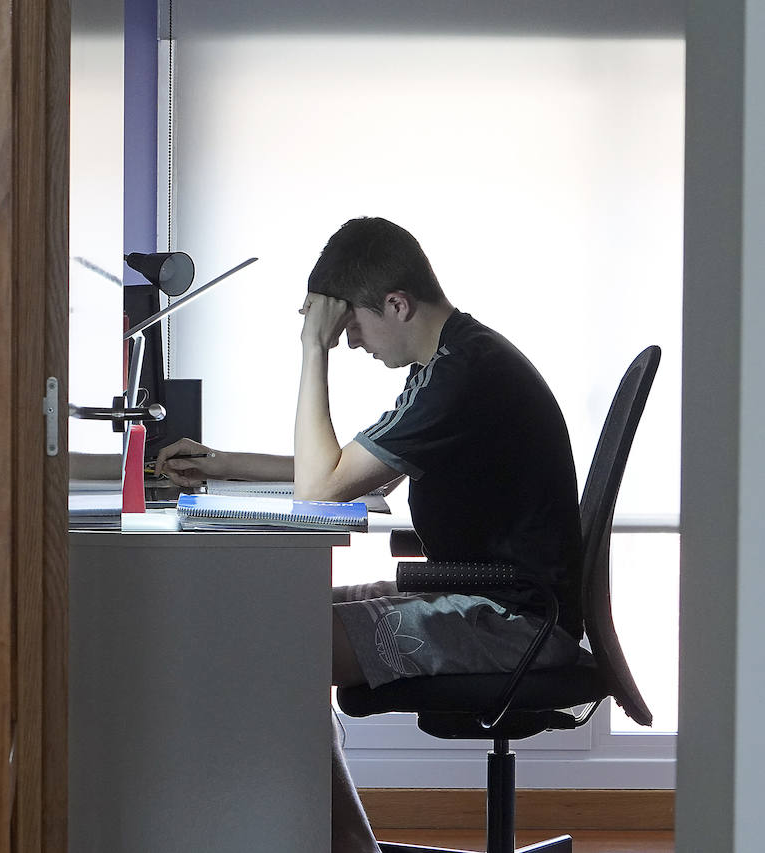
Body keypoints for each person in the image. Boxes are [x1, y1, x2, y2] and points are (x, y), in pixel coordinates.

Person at [154, 216, 589, 852]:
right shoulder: (447, 363)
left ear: (396, 303)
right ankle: (349, 845)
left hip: (513, 622)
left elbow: (321, 489)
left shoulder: (463, 374)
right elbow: (357, 474)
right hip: (489, 598)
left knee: (276, 646)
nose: (350, 341)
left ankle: (347, 847)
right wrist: (225, 462)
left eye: (352, 324)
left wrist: (311, 350)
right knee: (277, 618)